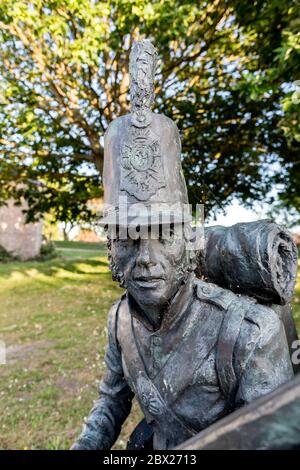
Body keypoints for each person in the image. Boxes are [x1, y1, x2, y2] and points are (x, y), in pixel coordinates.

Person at [71, 40, 294, 450]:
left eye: (165, 235)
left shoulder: (247, 333)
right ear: (109, 248)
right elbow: (111, 400)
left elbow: (271, 440)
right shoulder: (119, 320)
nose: (146, 260)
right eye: (127, 238)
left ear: (190, 241)